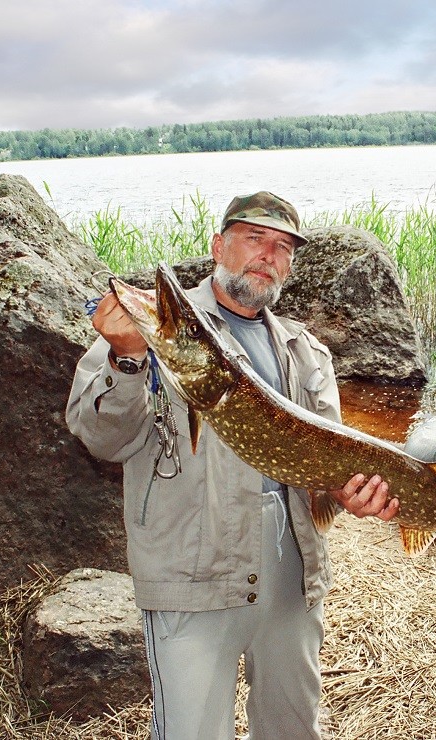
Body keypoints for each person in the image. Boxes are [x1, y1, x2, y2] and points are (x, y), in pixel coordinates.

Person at [66, 191, 399, 740]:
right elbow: (101, 437)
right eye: (255, 238)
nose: (268, 254)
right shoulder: (150, 334)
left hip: (291, 570)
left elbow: (330, 472)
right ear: (219, 245)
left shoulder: (307, 352)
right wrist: (127, 359)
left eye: (283, 246)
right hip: (194, 569)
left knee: (292, 729)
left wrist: (351, 497)